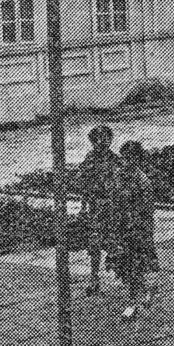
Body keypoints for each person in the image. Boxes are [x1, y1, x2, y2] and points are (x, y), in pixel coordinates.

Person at [109, 140, 158, 321]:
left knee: (133, 266)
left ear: (137, 160)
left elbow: (148, 211)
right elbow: (114, 201)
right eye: (124, 158)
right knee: (125, 266)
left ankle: (132, 304)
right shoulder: (118, 176)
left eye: (130, 158)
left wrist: (145, 234)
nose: (125, 162)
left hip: (137, 229)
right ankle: (145, 290)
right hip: (121, 227)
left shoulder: (143, 181)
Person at [77, 124, 120, 296]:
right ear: (93, 141)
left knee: (115, 242)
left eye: (106, 138)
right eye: (98, 139)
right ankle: (94, 279)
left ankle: (125, 274)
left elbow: (121, 183)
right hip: (96, 207)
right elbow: (85, 185)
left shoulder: (115, 159)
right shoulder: (90, 159)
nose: (102, 142)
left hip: (112, 207)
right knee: (94, 244)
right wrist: (83, 207)